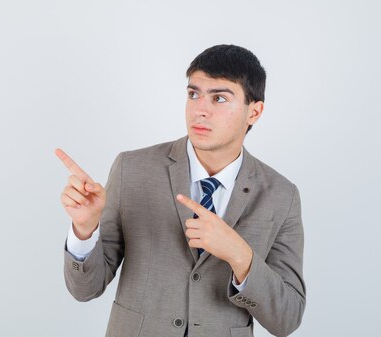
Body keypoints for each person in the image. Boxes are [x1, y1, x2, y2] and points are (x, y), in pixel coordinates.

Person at [55, 45, 305, 337]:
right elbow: (85, 289)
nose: (200, 109)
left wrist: (241, 257)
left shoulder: (281, 195)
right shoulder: (132, 169)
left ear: (254, 111)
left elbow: (287, 318)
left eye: (220, 98)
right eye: (193, 94)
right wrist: (85, 230)